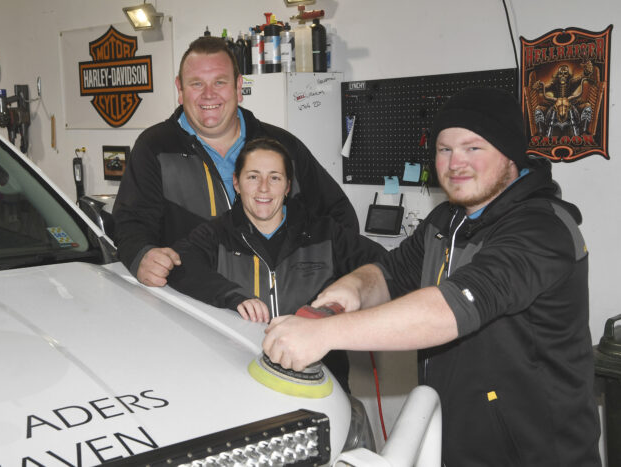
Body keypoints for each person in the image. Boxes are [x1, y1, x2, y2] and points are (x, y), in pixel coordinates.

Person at [262, 87, 601, 466]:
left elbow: (450, 310)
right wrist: (350, 289)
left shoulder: (542, 229)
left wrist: (324, 334)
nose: (456, 163)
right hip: (458, 444)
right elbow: (389, 274)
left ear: (510, 154)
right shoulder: (447, 221)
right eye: (444, 149)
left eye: (473, 148)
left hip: (537, 454)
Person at [112, 36, 358, 287]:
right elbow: (130, 223)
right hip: (196, 300)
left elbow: (338, 214)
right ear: (180, 89)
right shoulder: (154, 147)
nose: (209, 95)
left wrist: (327, 280)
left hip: (280, 306)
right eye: (197, 83)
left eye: (220, 82)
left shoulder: (283, 146)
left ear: (239, 87)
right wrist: (141, 255)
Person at [166, 138, 387, 392]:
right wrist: (231, 296)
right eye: (252, 177)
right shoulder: (215, 235)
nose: (263, 188)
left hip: (322, 381)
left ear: (287, 187)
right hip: (240, 379)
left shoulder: (326, 233)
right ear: (236, 183)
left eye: (274, 178)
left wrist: (341, 299)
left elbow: (386, 267)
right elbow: (178, 264)